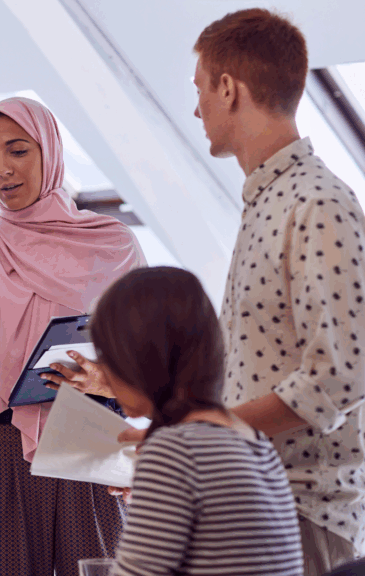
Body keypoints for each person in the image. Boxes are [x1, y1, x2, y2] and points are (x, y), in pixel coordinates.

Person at [99, 9, 365, 575]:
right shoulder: (266, 201)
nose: (196, 109)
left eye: (200, 90)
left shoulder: (316, 203)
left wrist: (198, 440)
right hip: (252, 492)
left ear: (228, 87)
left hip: (299, 509)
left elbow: (343, 374)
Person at [0, 97, 145, 576]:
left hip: (93, 440)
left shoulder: (113, 246)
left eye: (18, 151)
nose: (3, 170)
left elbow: (149, 363)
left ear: (50, 152)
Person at [86, 266, 303, 576]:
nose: (103, 370)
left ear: (139, 357)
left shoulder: (175, 449)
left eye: (106, 355)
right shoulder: (254, 442)